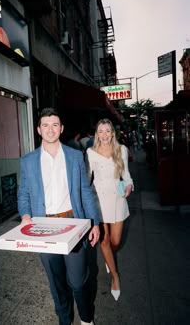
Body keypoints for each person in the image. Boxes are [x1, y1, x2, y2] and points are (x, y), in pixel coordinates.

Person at [18, 107, 100, 325]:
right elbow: (24, 193)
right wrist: (26, 216)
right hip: (43, 226)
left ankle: (86, 319)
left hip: (73, 222)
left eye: (55, 124)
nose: (50, 129)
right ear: (38, 129)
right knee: (56, 282)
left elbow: (85, 191)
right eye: (45, 125)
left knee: (78, 280)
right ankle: (65, 320)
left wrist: (95, 223)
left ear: (61, 128)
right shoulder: (28, 161)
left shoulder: (74, 156)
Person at [86, 118, 133, 301]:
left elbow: (126, 175)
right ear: (96, 134)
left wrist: (129, 186)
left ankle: (109, 257)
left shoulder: (121, 150)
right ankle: (115, 276)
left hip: (118, 200)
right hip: (99, 202)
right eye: (101, 131)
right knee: (104, 241)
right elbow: (87, 179)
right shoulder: (90, 152)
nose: (104, 135)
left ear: (112, 133)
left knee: (115, 242)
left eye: (107, 131)